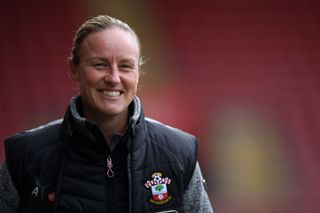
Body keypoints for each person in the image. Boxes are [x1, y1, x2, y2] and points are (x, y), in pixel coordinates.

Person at [0, 15, 213, 213]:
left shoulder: (179, 153)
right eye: (100, 65)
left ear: (138, 73)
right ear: (74, 69)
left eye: (125, 66)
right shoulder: (26, 155)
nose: (113, 78)